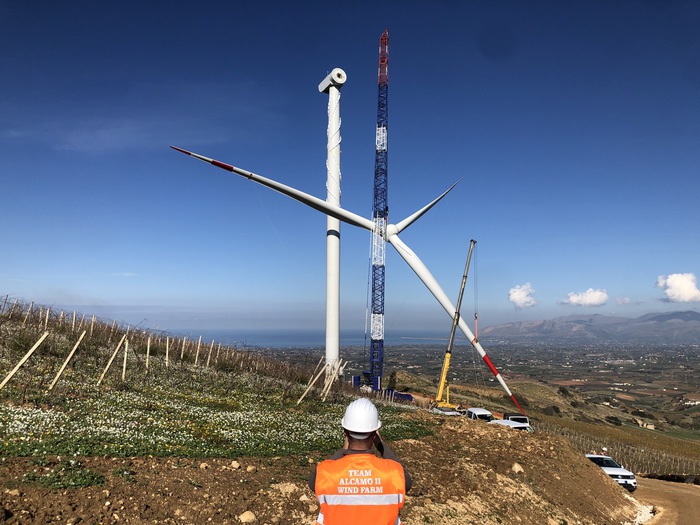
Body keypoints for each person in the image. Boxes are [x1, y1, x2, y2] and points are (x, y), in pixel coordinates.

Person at [308, 398, 412, 525]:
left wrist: (343, 449)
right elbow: (406, 480)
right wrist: (381, 445)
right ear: (374, 435)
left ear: (345, 432)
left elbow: (313, 482)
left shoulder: (325, 472)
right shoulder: (394, 472)